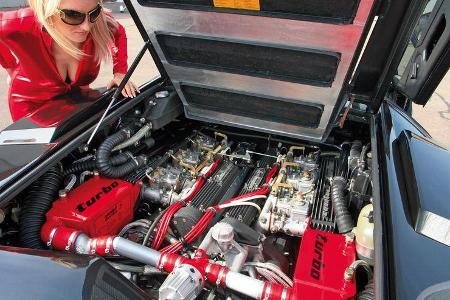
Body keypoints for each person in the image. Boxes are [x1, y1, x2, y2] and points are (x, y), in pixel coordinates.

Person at [0, 0, 139, 122]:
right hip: (32, 109)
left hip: (76, 102)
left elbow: (118, 31)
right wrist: (10, 65)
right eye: (73, 15)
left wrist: (120, 72)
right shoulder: (20, 23)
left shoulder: (99, 23)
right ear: (48, 11)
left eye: (94, 12)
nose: (86, 27)